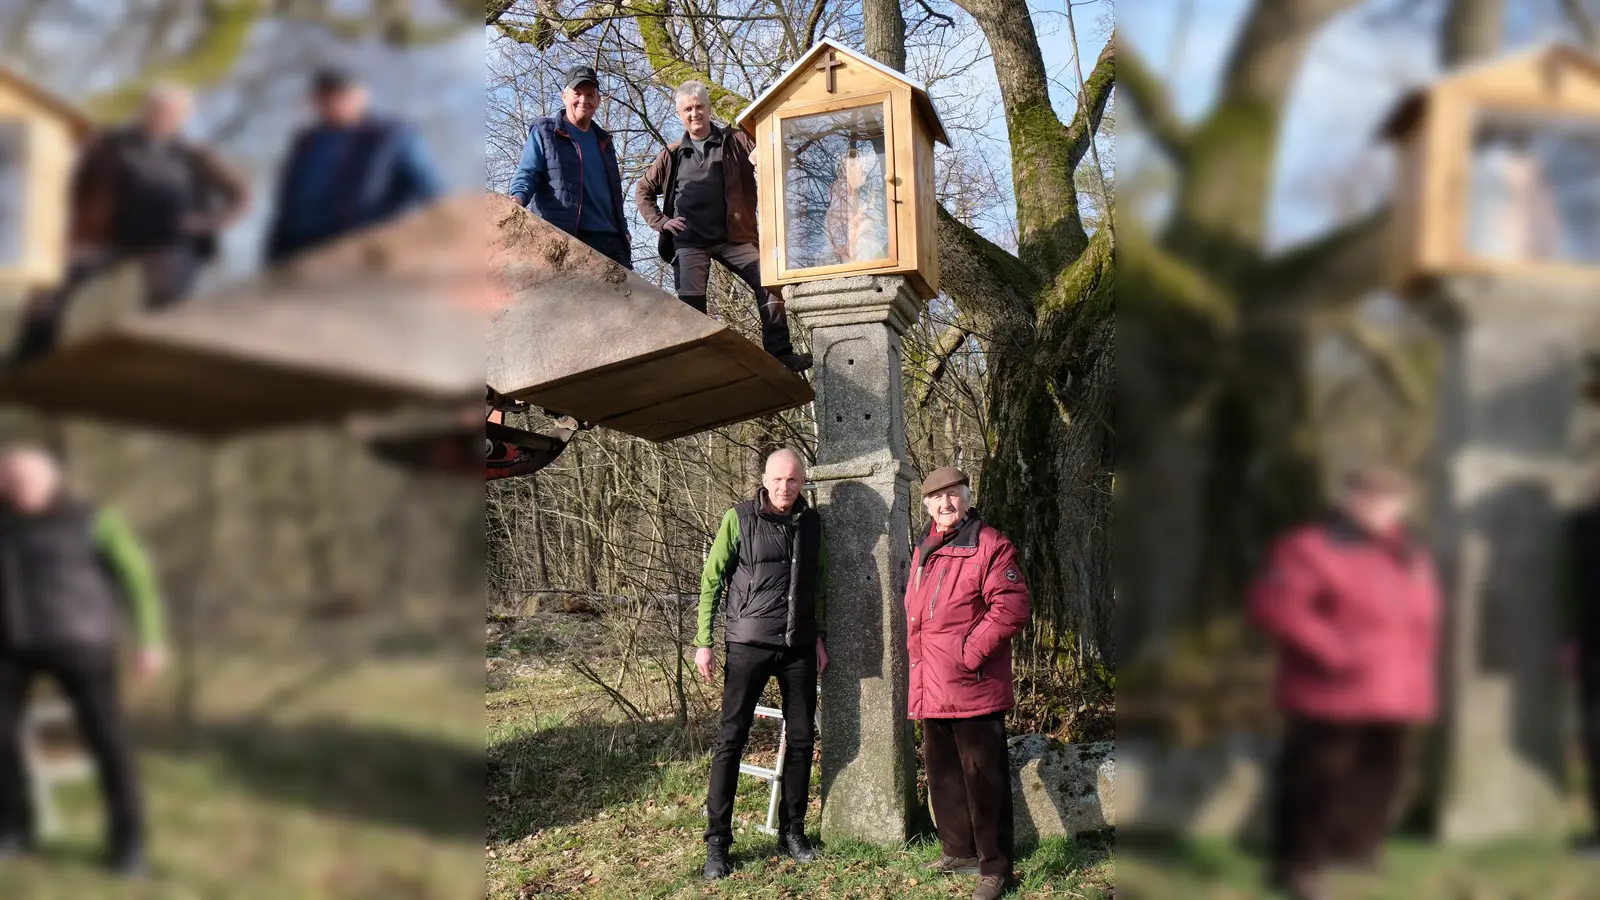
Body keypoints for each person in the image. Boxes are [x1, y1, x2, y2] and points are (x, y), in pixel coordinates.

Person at [1248, 463, 1441, 900]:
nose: (1379, 507)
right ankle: (1298, 865)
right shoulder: (1308, 547)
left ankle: (1355, 849)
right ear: (1346, 499)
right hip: (1328, 690)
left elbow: (1422, 620)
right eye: (1368, 496)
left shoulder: (1411, 553)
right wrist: (1334, 652)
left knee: (1382, 773)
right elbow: (1275, 605)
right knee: (1316, 778)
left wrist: (1418, 678)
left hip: (1395, 690)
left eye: (1390, 499)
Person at [0, 445, 167, 877]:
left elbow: (139, 577)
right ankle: (15, 831)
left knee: (107, 742)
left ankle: (128, 846)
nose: (19, 486)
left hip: (82, 642)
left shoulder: (95, 518)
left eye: (28, 477)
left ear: (52, 478)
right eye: (10, 478)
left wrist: (150, 640)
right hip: (11, 645)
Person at [5, 82, 249, 368]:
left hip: (167, 240)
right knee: (52, 280)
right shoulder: (110, 143)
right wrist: (65, 228)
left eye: (171, 112)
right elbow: (71, 183)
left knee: (170, 299)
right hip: (109, 236)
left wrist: (208, 224)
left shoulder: (193, 154)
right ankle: (32, 351)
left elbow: (240, 193)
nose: (161, 116)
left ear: (182, 118)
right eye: (156, 109)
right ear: (143, 109)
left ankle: (154, 362)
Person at [693, 448, 827, 879]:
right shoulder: (739, 518)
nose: (784, 487)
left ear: (803, 481)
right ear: (764, 479)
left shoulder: (812, 523)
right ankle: (717, 844)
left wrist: (819, 635)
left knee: (803, 741)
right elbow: (712, 578)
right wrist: (704, 641)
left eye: (792, 480)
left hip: (799, 647)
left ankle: (793, 831)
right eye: (777, 479)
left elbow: (818, 584)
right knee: (732, 739)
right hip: (748, 642)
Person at [904, 466, 1030, 900]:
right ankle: (959, 850)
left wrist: (969, 654)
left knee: (984, 779)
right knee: (943, 775)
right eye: (936, 499)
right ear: (926, 505)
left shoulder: (991, 545)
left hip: (973, 685)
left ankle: (996, 868)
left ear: (967, 496)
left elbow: (1011, 606)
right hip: (932, 683)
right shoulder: (924, 548)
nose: (945, 505)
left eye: (952, 496)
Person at [635, 81, 810, 372]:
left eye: (700, 106)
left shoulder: (737, 140)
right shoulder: (672, 154)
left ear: (709, 108)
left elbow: (778, 152)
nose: (695, 113)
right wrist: (663, 223)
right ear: (679, 114)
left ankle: (781, 355)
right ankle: (699, 366)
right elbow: (643, 191)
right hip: (690, 241)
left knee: (769, 282)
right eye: (688, 109)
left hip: (735, 237)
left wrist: (762, 153)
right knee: (691, 306)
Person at [264, 66, 445, 265]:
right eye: (325, 96)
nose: (332, 102)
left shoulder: (391, 137)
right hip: (298, 253)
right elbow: (287, 204)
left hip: (361, 252)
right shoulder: (306, 143)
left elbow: (431, 192)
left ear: (361, 95)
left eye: (340, 94)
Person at [509, 64, 632, 270]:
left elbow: (613, 196)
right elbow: (528, 172)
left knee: (630, 301)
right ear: (564, 96)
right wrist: (517, 198)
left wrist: (623, 229)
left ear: (598, 101)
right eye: (577, 93)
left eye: (590, 95)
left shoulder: (605, 142)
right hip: (569, 237)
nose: (583, 100)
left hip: (612, 241)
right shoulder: (546, 132)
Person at [1560, 476, 1600, 856]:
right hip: (1592, 643)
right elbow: (1569, 585)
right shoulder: (1580, 525)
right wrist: (1570, 634)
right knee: (1594, 736)